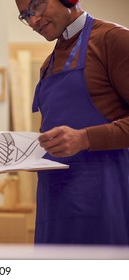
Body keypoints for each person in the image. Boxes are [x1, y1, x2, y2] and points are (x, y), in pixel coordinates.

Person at [14, 0, 129, 245]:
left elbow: (78, 136)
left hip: (106, 201)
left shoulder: (113, 40)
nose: (33, 20)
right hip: (54, 202)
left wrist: (85, 138)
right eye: (25, 15)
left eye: (37, 5)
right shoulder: (47, 65)